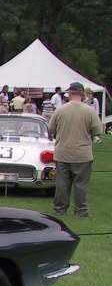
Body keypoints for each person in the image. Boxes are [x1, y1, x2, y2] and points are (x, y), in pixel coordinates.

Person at [48, 81, 101, 217]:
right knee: (81, 184)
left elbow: (50, 129)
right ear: (82, 94)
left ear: (70, 93)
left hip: (62, 152)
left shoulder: (60, 109)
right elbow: (98, 131)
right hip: (82, 154)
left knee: (62, 183)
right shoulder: (90, 111)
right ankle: (81, 211)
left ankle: (60, 210)